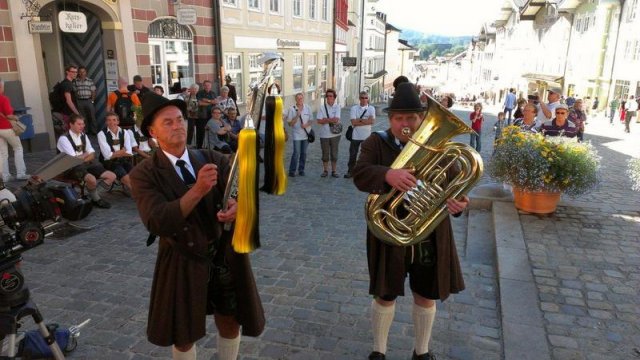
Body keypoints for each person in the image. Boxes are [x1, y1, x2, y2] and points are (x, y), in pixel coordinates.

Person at [129, 92, 264, 360]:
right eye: (168, 122)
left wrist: (238, 207)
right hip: (181, 258)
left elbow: (243, 194)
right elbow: (157, 221)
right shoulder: (143, 174)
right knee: (184, 333)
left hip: (223, 255)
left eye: (180, 119)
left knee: (230, 318)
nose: (177, 125)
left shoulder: (213, 157)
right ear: (152, 132)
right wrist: (198, 190)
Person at [353, 82, 469, 360]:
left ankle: (422, 351)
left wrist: (460, 204)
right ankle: (379, 351)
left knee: (426, 293)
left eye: (410, 118)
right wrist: (386, 174)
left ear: (421, 119)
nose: (404, 124)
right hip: (389, 230)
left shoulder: (439, 146)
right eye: (398, 118)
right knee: (385, 293)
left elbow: (458, 187)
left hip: (430, 231)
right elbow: (359, 173)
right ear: (390, 119)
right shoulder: (375, 143)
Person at [56, 114, 115, 209]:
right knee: (91, 179)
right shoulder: (64, 139)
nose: (82, 126)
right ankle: (96, 199)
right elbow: (73, 160)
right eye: (79, 124)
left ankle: (92, 196)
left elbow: (92, 153)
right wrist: (85, 154)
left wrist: (84, 157)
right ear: (71, 125)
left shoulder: (84, 135)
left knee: (111, 176)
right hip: (69, 168)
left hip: (84, 164)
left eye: (83, 124)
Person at [97, 112, 135, 194]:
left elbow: (129, 152)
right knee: (125, 177)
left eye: (114, 120)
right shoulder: (101, 134)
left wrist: (116, 153)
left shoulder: (125, 132)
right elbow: (107, 156)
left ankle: (142, 193)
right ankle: (139, 196)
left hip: (124, 160)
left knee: (135, 175)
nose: (112, 122)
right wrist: (122, 151)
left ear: (118, 122)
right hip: (109, 163)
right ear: (106, 122)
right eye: (109, 120)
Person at [0, 79, 28, 182]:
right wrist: (17, 117)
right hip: (6, 128)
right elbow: (9, 115)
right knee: (18, 148)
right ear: (1, 87)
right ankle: (21, 173)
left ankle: (5, 176)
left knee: (2, 153)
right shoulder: (3, 98)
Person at [345, 91, 375, 178]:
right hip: (355, 136)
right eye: (362, 98)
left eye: (366, 98)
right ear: (359, 99)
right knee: (353, 155)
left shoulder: (371, 108)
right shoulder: (354, 108)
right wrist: (366, 121)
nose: (364, 100)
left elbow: (372, 121)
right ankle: (350, 171)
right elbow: (353, 122)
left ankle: (364, 172)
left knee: (366, 156)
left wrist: (360, 120)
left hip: (367, 136)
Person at [286, 92, 313, 177]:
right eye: (298, 98)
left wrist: (306, 125)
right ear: (295, 99)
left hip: (306, 134)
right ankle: (292, 170)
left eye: (301, 98)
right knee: (296, 153)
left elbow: (311, 120)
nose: (300, 100)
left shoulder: (307, 107)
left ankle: (301, 169)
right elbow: (290, 124)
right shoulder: (292, 109)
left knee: (303, 153)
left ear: (303, 99)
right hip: (297, 135)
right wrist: (297, 116)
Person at [317, 89, 342, 178]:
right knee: (325, 153)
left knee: (334, 153)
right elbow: (319, 121)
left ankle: (334, 171)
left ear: (334, 98)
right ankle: (325, 170)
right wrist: (330, 119)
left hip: (335, 134)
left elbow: (336, 120)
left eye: (331, 96)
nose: (329, 98)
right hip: (324, 134)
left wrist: (325, 120)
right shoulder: (322, 107)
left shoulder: (337, 106)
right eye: (327, 96)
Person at [73, 66, 97, 135]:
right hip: (80, 101)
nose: (81, 73)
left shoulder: (90, 81)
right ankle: (84, 131)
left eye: (83, 72)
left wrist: (92, 101)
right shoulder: (75, 81)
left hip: (89, 100)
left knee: (92, 117)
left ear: (86, 72)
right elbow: (74, 92)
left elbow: (93, 91)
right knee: (82, 118)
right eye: (80, 72)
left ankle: (94, 131)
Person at [196, 80, 218, 149]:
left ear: (211, 86)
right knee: (201, 132)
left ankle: (210, 147)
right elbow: (200, 103)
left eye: (208, 85)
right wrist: (211, 102)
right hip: (202, 116)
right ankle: (199, 147)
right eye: (205, 85)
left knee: (212, 131)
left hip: (211, 116)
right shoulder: (200, 93)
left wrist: (207, 100)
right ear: (203, 86)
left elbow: (216, 102)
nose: (207, 87)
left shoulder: (213, 93)